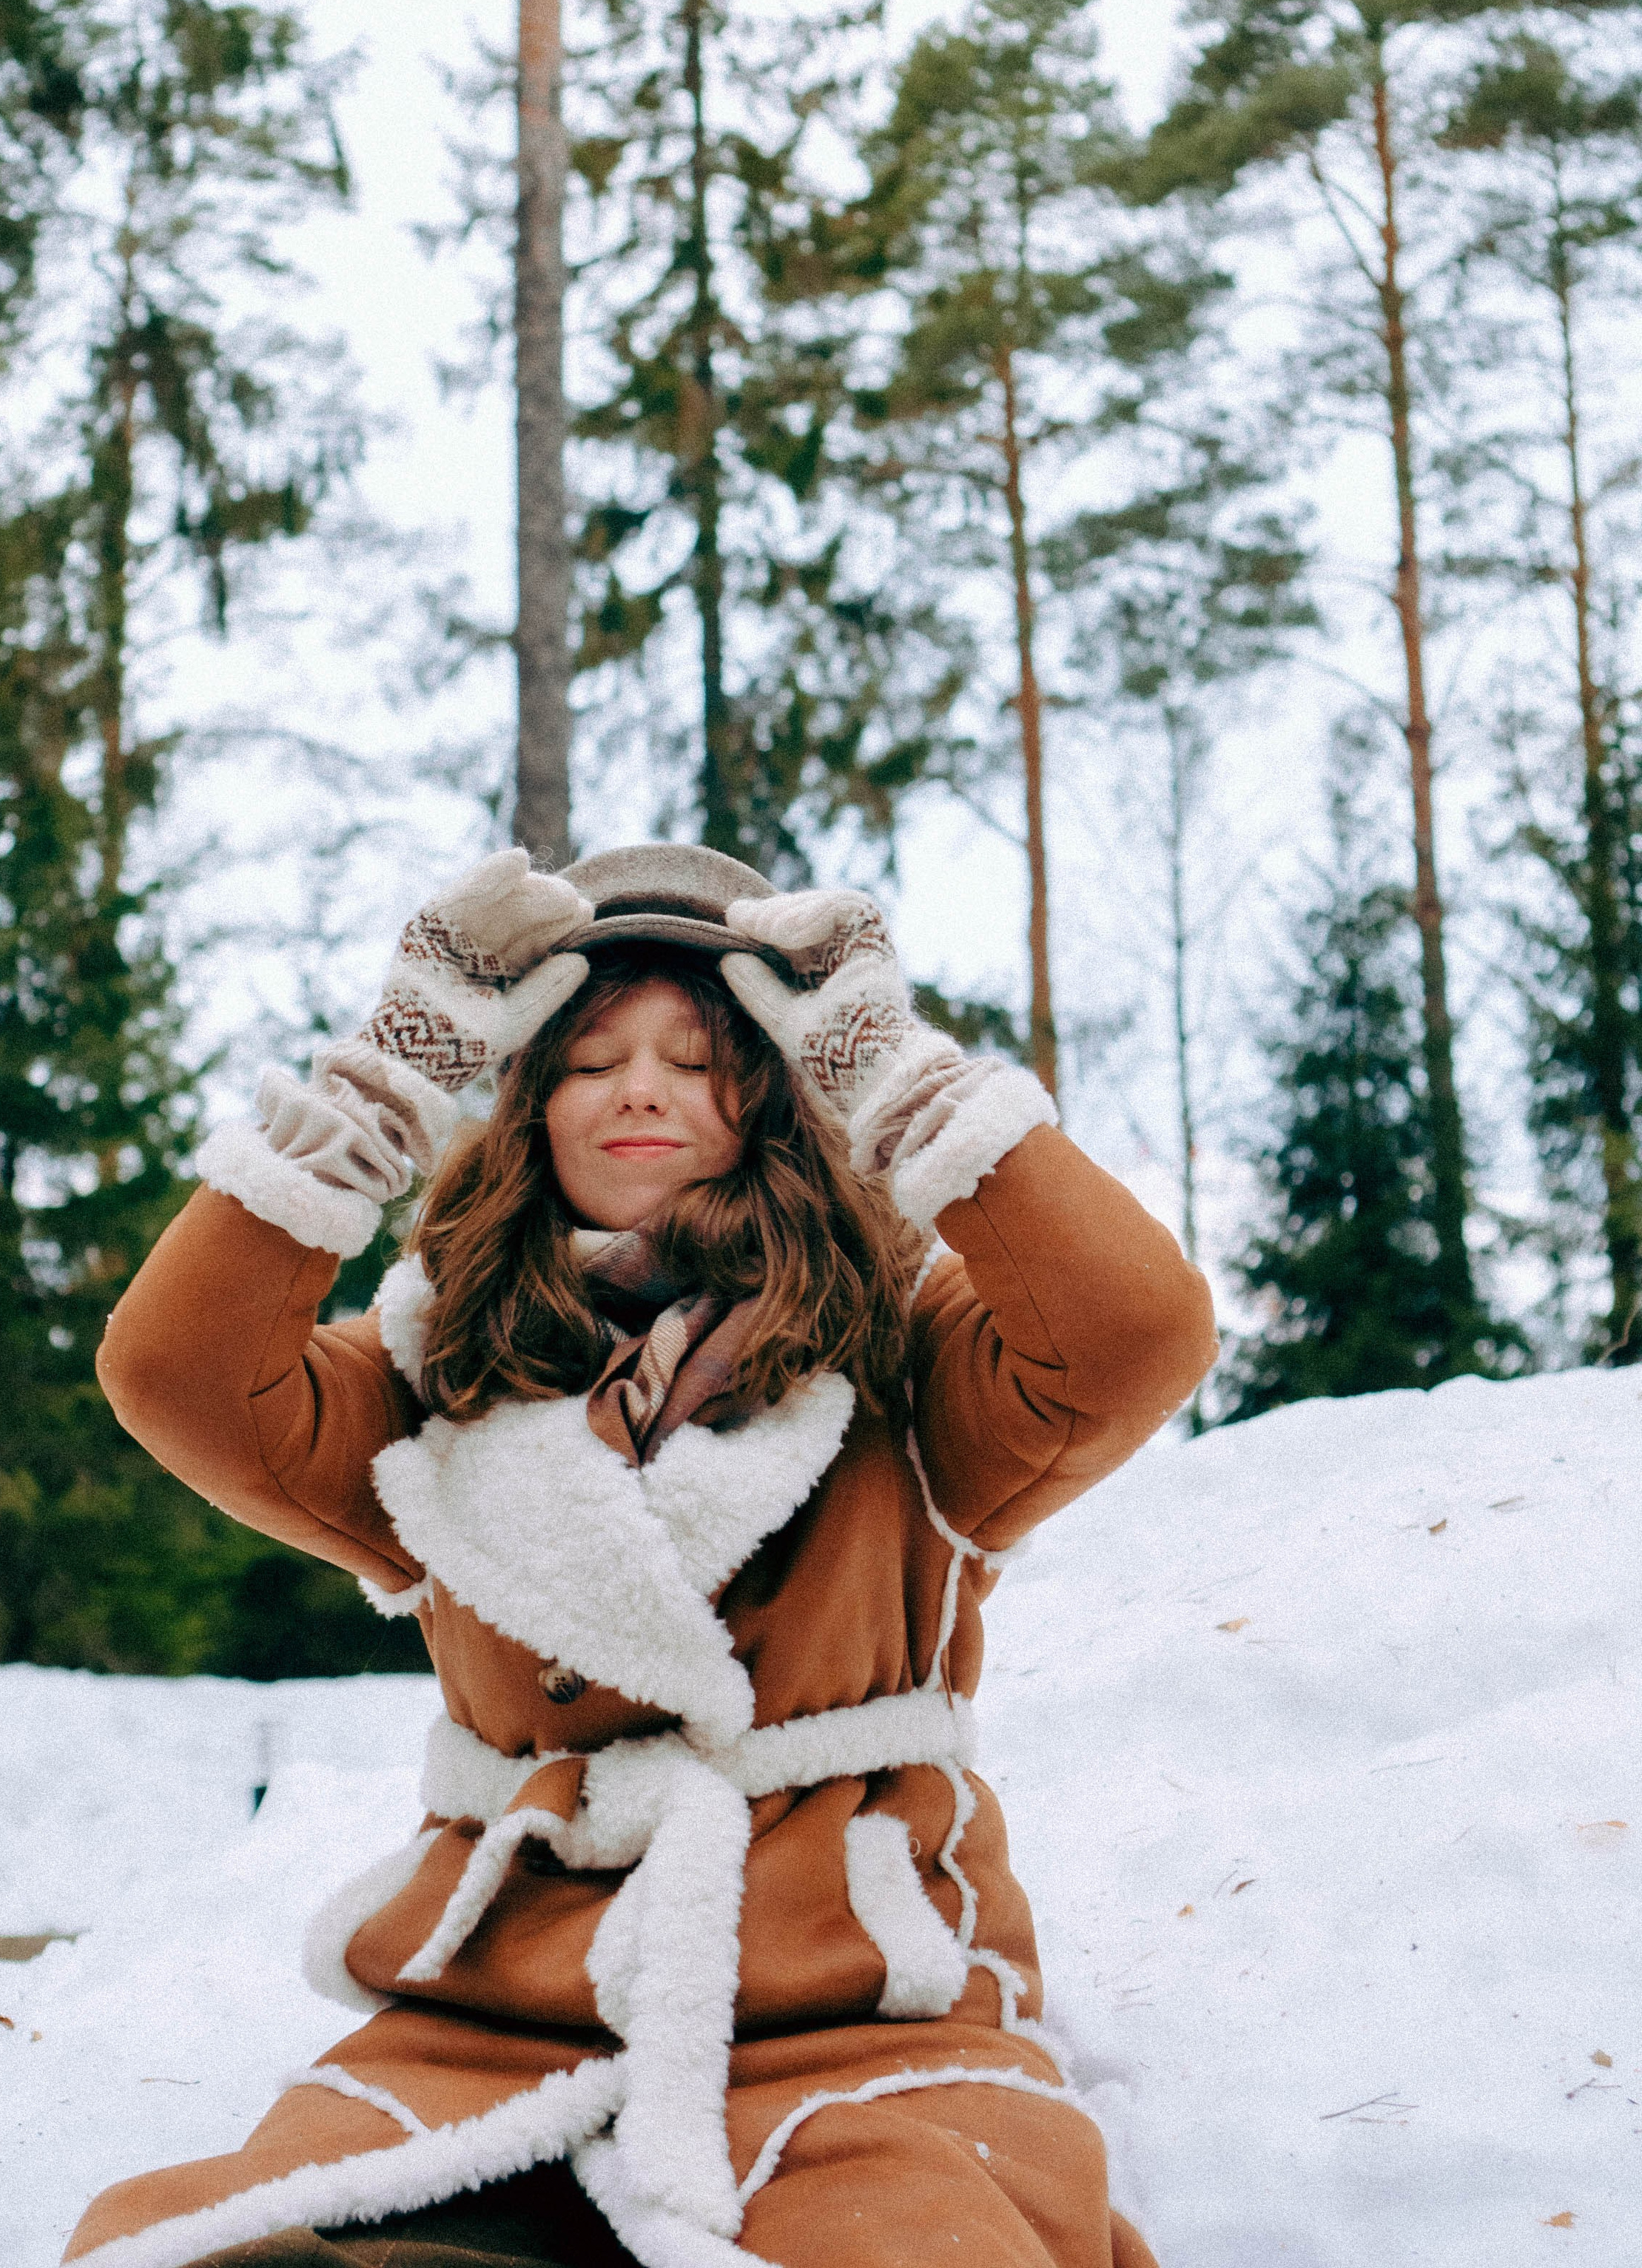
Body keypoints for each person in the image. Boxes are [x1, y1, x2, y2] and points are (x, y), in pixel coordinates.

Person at [62, 844, 1215, 2268]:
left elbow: (1137, 1332)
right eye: (591, 1058)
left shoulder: (908, 1357)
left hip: (856, 2025)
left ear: (779, 1098)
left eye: (698, 1057)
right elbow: (176, 1375)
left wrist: (893, 1066)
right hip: (494, 2026)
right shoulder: (438, 1374)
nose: (643, 1088)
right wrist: (386, 1074)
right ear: (527, 1107)